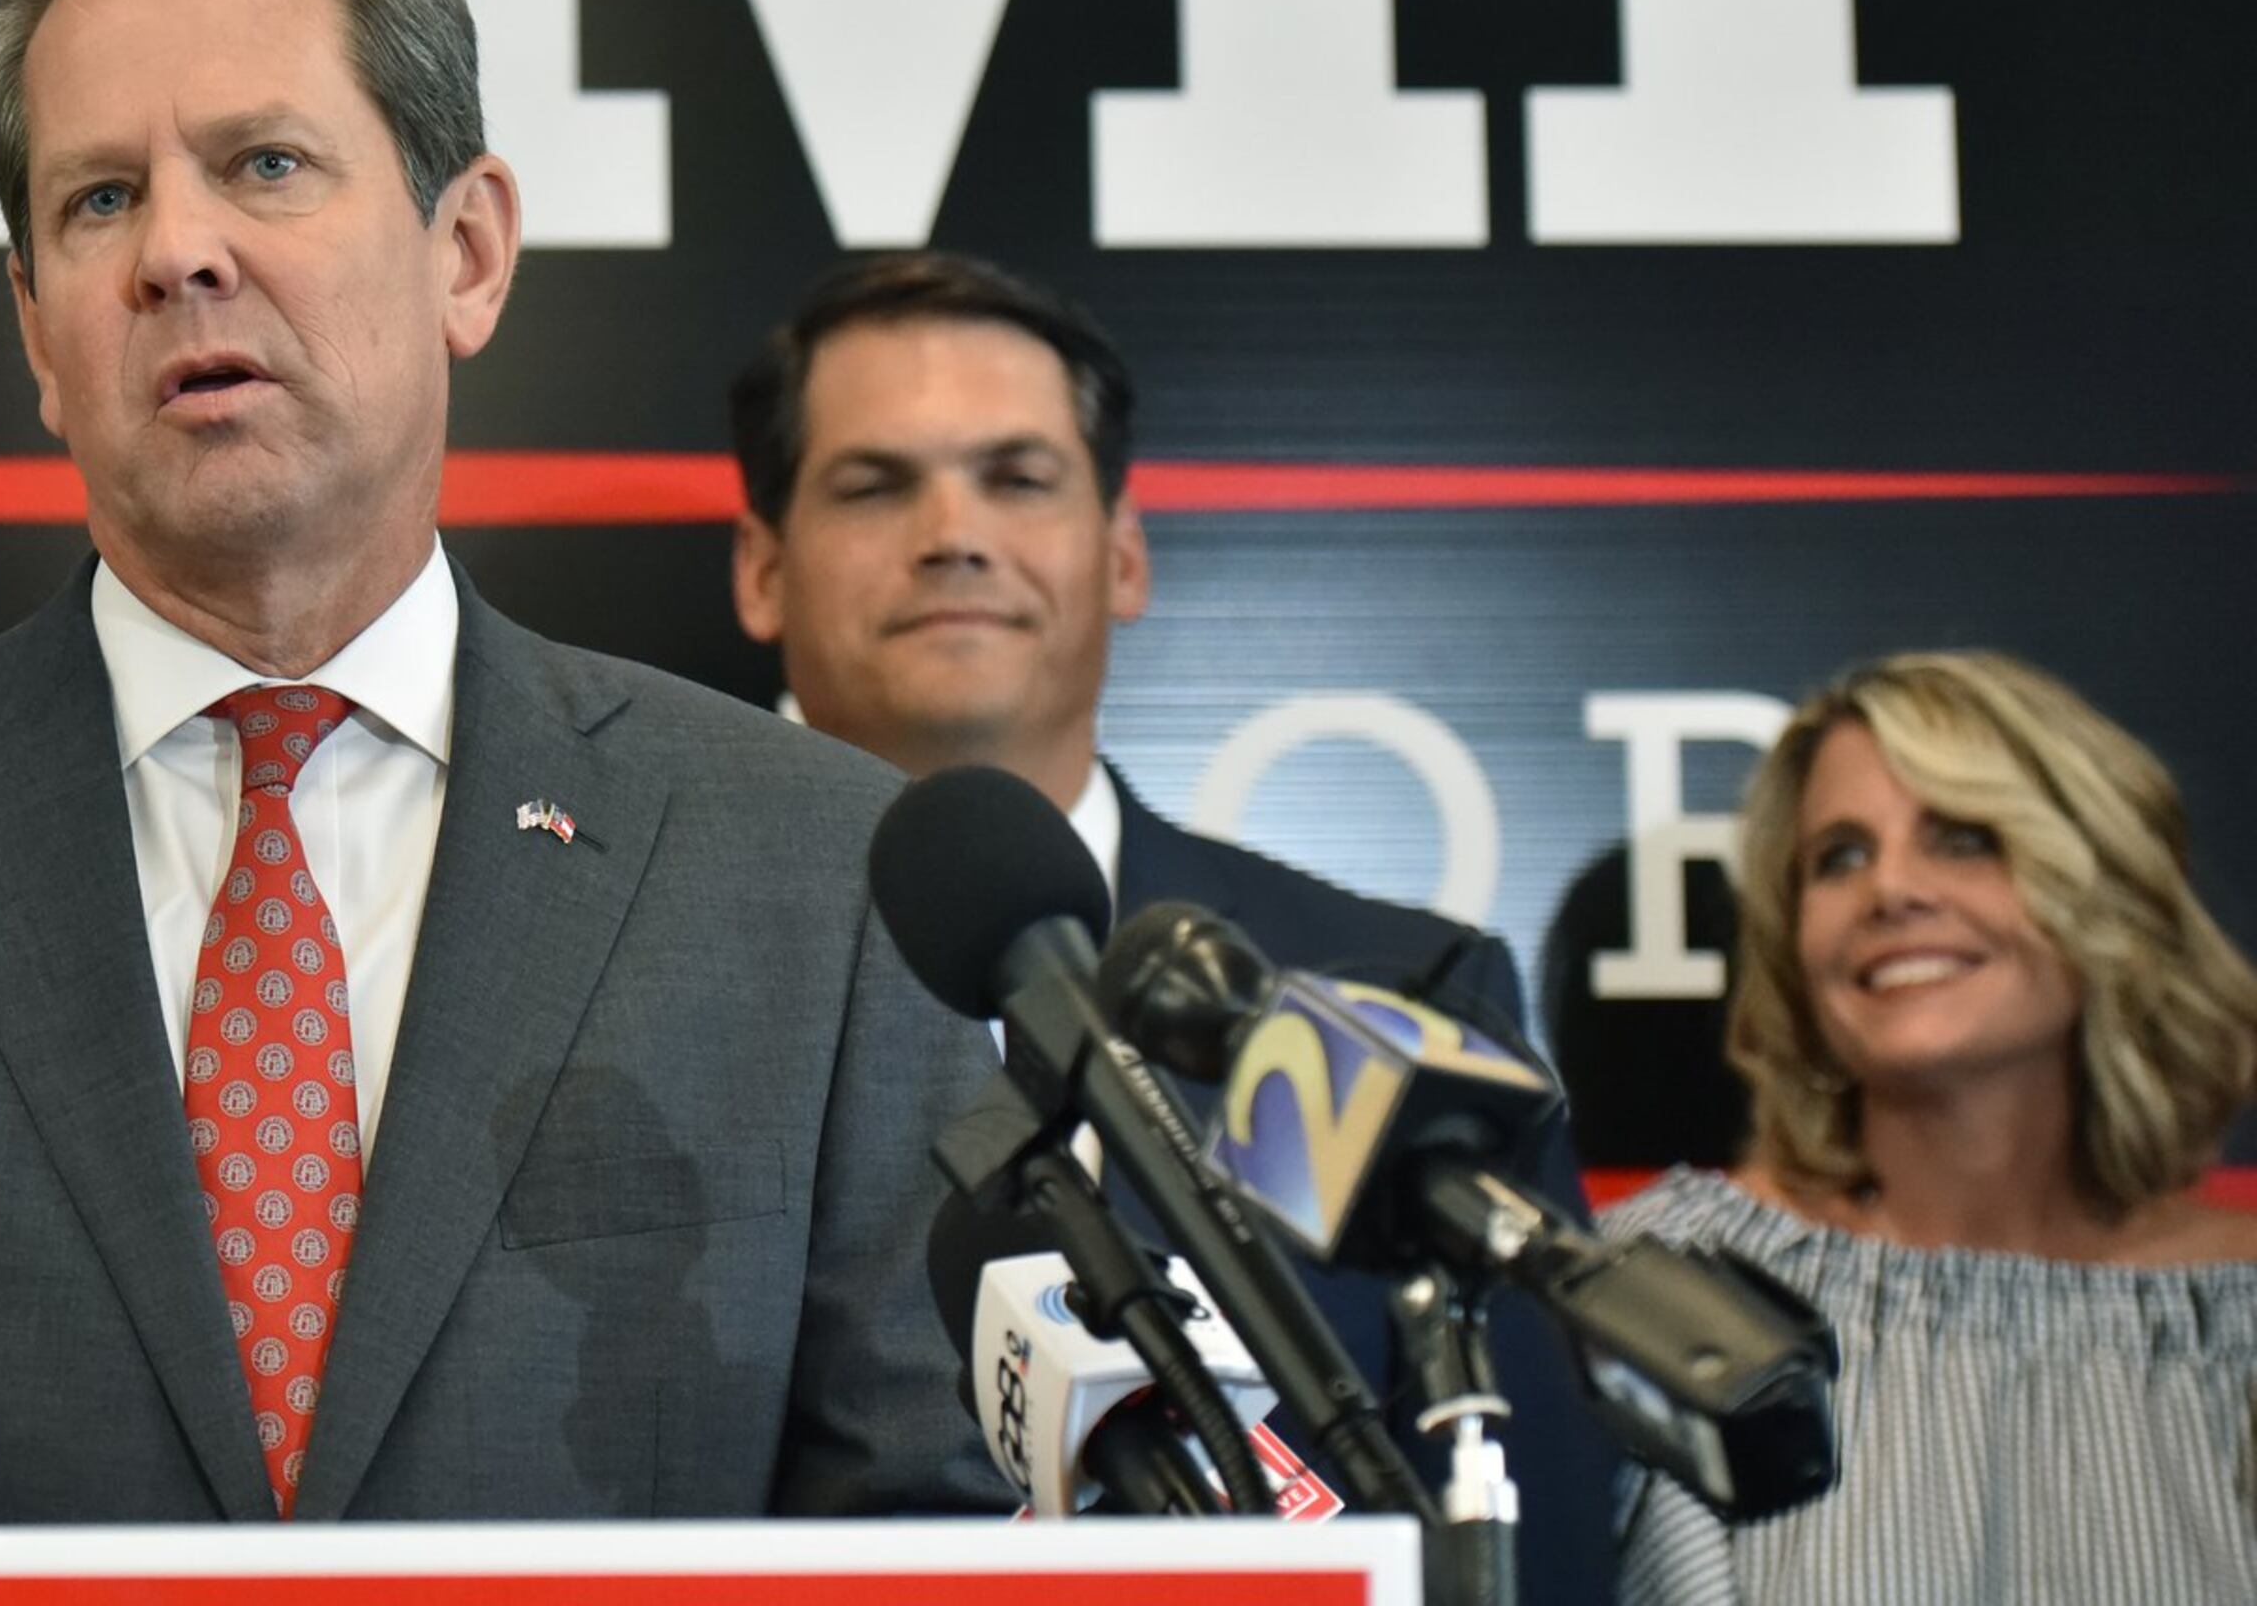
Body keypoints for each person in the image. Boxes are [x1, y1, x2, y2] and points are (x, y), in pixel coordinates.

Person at [0, 0, 992, 1520]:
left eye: (264, 165)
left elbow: (922, 1530)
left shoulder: (815, 874)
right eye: (98, 201)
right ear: (37, 334)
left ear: (468, 253)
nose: (177, 252)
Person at [726, 250, 1614, 1597]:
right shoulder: (634, 972)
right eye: (876, 485)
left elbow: (1526, 1541)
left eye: (1020, 478)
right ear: (761, 571)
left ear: (1125, 554)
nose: (953, 532)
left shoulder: (1395, 992)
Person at [1607, 651, 2257, 1606]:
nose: (1891, 891)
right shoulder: (1664, 1289)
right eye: (1840, 858)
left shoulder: (2234, 1316)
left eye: (1963, 840)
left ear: (2101, 886)